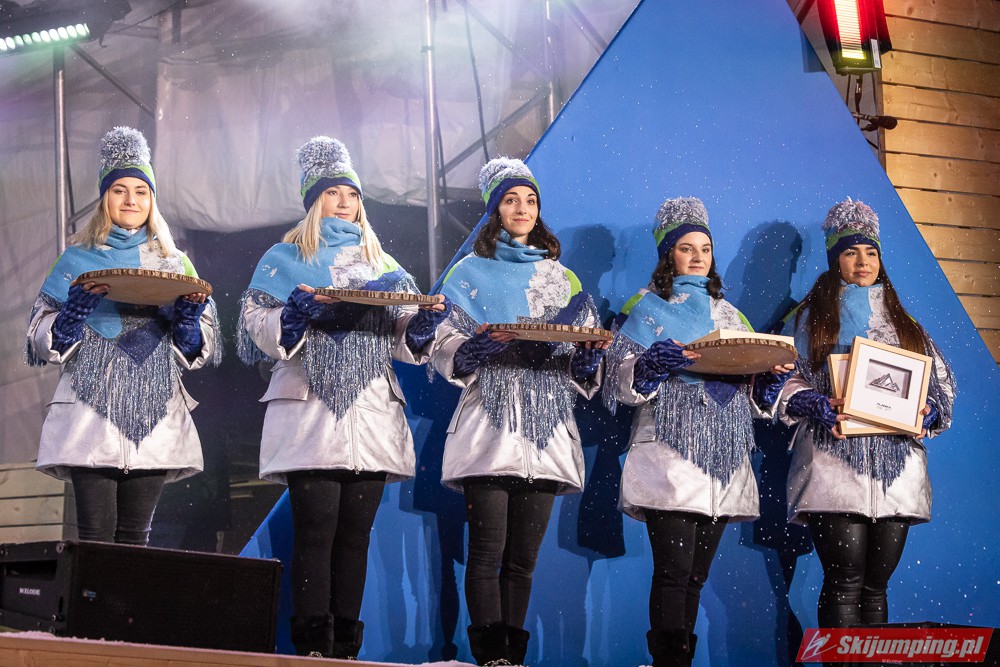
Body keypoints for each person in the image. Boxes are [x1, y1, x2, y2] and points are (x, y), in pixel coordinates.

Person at [237, 136, 449, 659]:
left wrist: (424, 325)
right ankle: (313, 648)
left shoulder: (382, 262)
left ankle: (346, 651)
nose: (343, 202)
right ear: (313, 200)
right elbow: (252, 328)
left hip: (372, 413)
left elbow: (404, 339)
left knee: (356, 536)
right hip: (308, 409)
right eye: (332, 192)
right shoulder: (284, 258)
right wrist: (291, 316)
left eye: (351, 194)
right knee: (315, 530)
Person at [431, 157, 607, 666]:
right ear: (494, 212)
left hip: (548, 431)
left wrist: (588, 358)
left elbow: (582, 358)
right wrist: (472, 350)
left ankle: (513, 656)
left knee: (524, 561)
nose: (522, 209)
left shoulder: (563, 278)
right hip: (489, 426)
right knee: (486, 552)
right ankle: (490, 656)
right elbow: (442, 341)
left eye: (530, 200)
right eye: (511, 200)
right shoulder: (467, 273)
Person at [602, 197, 791, 667]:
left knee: (694, 578)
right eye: (686, 248)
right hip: (669, 454)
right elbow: (616, 381)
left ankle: (680, 659)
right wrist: (650, 365)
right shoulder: (644, 308)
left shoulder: (732, 316)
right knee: (672, 573)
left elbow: (752, 393)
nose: (698, 257)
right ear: (668, 254)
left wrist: (768, 381)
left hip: (724, 460)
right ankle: (668, 661)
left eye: (705, 248)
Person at [26, 126, 220, 546]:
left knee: (136, 540)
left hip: (156, 417)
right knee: (95, 539)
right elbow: (40, 338)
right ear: (104, 198)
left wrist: (187, 322)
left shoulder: (175, 262)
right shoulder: (75, 259)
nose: (131, 200)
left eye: (141, 191)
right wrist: (71, 316)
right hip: (88, 418)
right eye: (119, 190)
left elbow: (200, 348)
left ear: (152, 200)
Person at [776, 198, 956, 629]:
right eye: (851, 252)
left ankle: (870, 659)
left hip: (897, 471)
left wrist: (928, 410)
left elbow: (941, 385)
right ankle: (843, 659)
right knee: (844, 581)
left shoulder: (905, 323)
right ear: (835, 259)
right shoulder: (808, 319)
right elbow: (778, 377)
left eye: (871, 252)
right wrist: (814, 403)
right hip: (834, 463)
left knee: (876, 586)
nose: (863, 262)